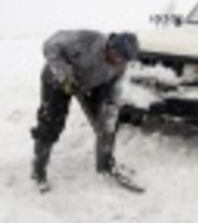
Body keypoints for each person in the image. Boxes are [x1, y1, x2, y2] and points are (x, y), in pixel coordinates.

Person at [30, 30, 139, 191]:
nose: (118, 61)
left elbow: (112, 93)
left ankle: (105, 165)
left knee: (108, 124)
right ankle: (38, 170)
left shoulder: (120, 66)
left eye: (123, 60)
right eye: (116, 56)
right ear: (110, 46)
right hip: (57, 81)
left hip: (90, 84)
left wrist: (108, 117)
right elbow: (50, 44)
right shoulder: (88, 40)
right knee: (51, 124)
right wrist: (65, 75)